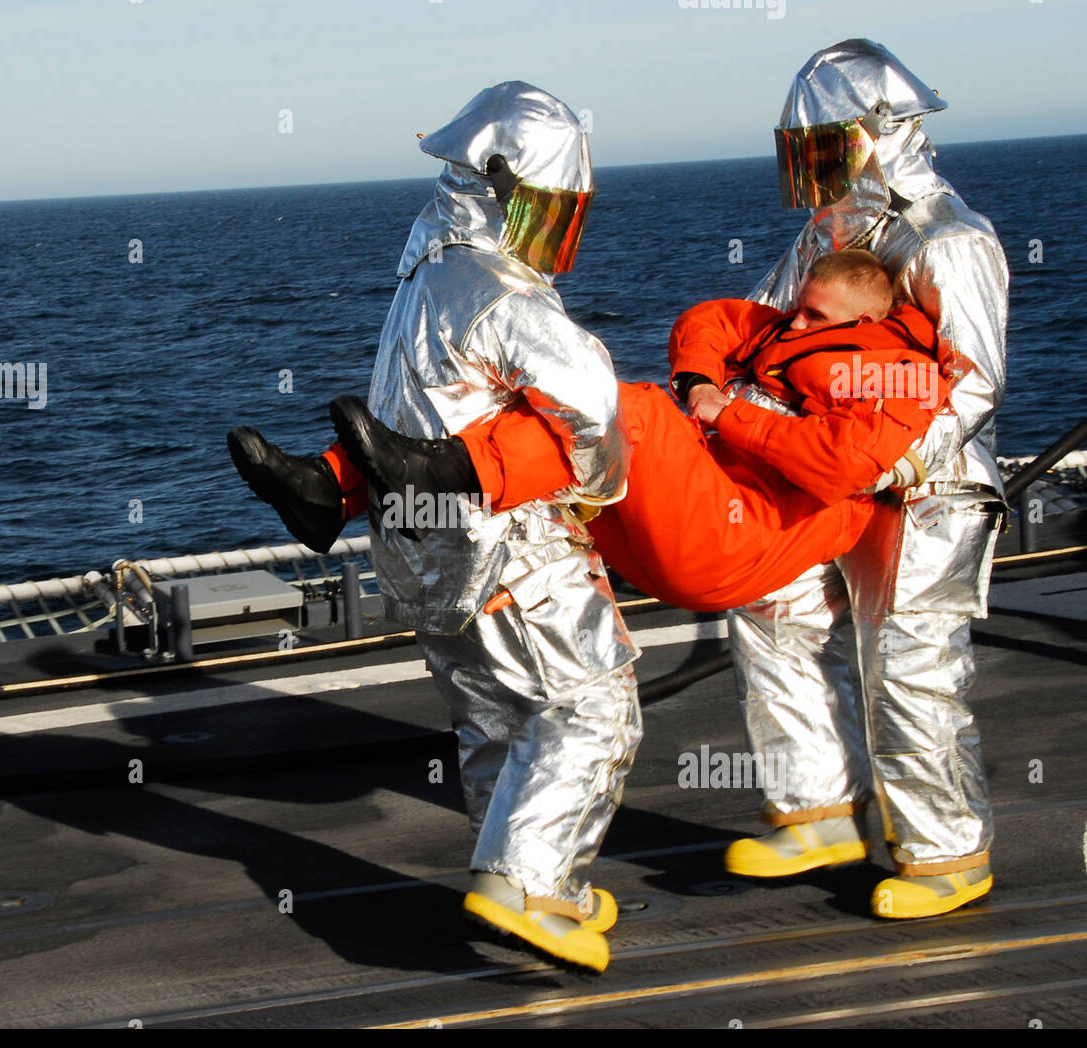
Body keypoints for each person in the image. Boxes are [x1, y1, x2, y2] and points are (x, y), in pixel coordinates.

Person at [232, 82, 641, 972]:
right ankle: (519, 880)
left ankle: (548, 888)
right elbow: (593, 407)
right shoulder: (501, 292)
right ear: (504, 191)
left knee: (500, 723)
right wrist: (602, 476)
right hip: (513, 553)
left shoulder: (423, 278)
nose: (553, 234)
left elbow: (399, 415)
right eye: (547, 212)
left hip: (425, 559)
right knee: (592, 708)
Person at [706, 39, 1008, 919]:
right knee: (772, 606)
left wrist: (890, 461)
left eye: (824, 147)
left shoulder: (948, 239)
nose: (814, 168)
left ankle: (948, 852)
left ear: (877, 133)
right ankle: (818, 810)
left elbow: (974, 382)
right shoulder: (831, 234)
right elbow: (770, 335)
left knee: (908, 666)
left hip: (927, 492)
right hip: (836, 482)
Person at [330, 249, 947, 616]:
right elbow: (709, 321)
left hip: (735, 540)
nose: (798, 322)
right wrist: (699, 380)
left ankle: (440, 473)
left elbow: (845, 465)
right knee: (545, 407)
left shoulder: (898, 374)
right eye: (799, 307)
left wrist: (726, 414)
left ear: (866, 320)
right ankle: (335, 487)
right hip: (675, 525)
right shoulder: (788, 333)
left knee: (629, 410)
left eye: (816, 315)